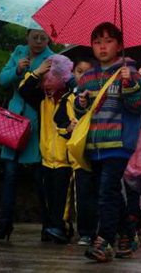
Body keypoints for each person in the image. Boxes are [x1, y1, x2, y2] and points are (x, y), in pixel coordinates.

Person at [73, 22, 141, 262]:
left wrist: (129, 85)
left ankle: (104, 240)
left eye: (108, 41)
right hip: (94, 146)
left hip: (118, 144)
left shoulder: (130, 73)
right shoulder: (88, 76)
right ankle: (128, 232)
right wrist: (81, 104)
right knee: (110, 191)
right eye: (97, 41)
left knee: (106, 192)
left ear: (120, 45)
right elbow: (80, 109)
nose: (102, 46)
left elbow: (138, 107)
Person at [0, 27, 54, 241]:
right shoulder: (19, 52)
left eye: (43, 38)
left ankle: (48, 225)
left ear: (48, 39)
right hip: (13, 123)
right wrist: (17, 70)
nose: (39, 41)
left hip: (38, 124)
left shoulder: (52, 58)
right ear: (27, 37)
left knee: (40, 178)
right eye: (34, 37)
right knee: (10, 175)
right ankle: (4, 224)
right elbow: (2, 80)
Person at [19, 54, 75, 244]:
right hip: (46, 159)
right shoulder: (41, 100)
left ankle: (61, 228)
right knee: (47, 197)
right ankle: (49, 228)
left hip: (64, 159)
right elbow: (24, 90)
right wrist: (37, 71)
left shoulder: (71, 98)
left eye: (52, 78)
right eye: (45, 79)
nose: (47, 83)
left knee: (62, 198)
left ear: (63, 79)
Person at [54, 57, 96, 245]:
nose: (83, 76)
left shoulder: (100, 94)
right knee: (83, 195)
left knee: (104, 192)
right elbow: (59, 124)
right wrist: (68, 128)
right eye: (79, 71)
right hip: (78, 156)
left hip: (100, 150)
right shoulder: (67, 98)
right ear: (72, 73)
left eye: (88, 72)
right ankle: (86, 232)